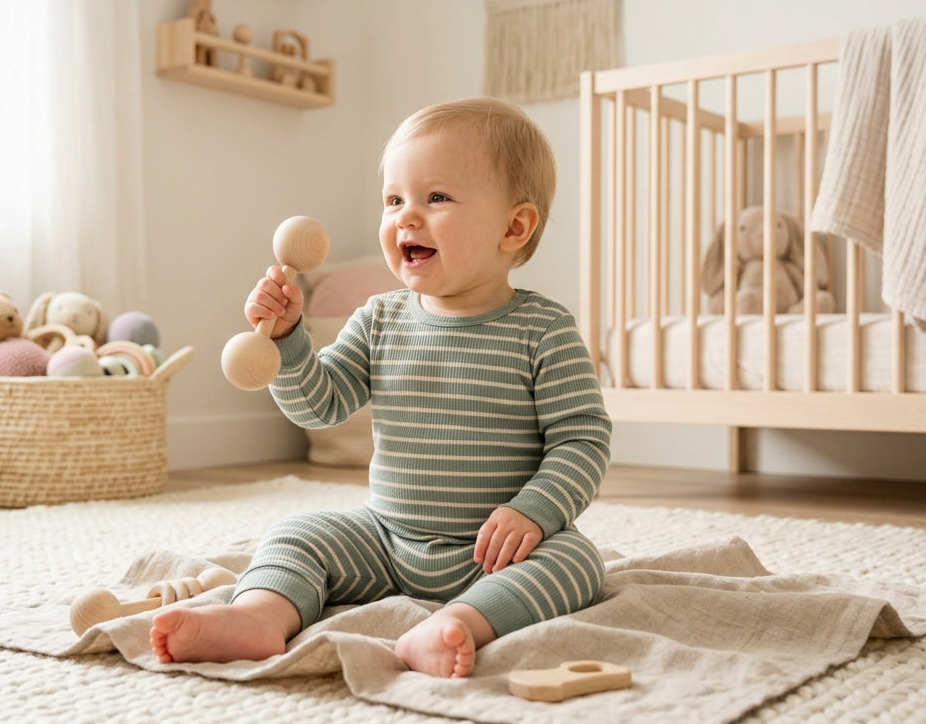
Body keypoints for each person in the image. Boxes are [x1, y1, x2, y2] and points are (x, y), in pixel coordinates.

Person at [151, 97, 611, 679]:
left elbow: (583, 441)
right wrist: (290, 339)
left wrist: (535, 513)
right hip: (386, 538)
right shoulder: (379, 319)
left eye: (435, 198)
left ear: (513, 226)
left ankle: (460, 624)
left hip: (497, 554)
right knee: (297, 533)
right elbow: (318, 405)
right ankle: (260, 615)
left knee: (576, 561)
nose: (405, 217)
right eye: (394, 199)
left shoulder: (543, 330)